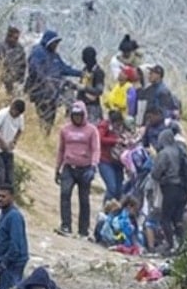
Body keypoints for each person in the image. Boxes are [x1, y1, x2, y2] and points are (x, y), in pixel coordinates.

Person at [55, 101, 100, 238]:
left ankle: (83, 229)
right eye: (74, 115)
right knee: (65, 193)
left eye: (79, 115)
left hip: (85, 167)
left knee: (84, 199)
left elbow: (95, 149)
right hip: (69, 166)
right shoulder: (65, 130)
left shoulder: (91, 130)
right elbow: (61, 149)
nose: (77, 118)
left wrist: (93, 166)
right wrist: (57, 168)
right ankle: (66, 225)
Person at [151, 128, 187, 249]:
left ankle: (170, 245)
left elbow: (155, 174)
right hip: (185, 190)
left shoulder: (165, 153)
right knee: (177, 219)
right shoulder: (183, 151)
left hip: (171, 189)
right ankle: (183, 245)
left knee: (165, 219)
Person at [25, 29, 81, 129]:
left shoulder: (55, 56)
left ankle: (46, 136)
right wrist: (46, 80)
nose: (56, 45)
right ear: (48, 41)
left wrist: (80, 73)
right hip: (41, 92)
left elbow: (64, 68)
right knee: (44, 117)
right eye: (55, 43)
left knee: (51, 118)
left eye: (57, 43)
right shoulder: (38, 52)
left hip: (53, 93)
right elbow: (35, 68)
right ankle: (43, 137)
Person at [0, 184, 28, 289]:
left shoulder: (14, 216)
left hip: (12, 264)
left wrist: (5, 262)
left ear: (11, 197)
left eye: (3, 196)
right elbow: (0, 235)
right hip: (3, 263)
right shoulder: (3, 215)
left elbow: (16, 243)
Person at [0, 99, 26, 192]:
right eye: (14, 111)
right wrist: (1, 141)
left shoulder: (20, 117)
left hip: (8, 150)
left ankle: (6, 204)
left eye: (17, 114)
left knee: (10, 180)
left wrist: (14, 141)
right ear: (12, 107)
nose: (15, 115)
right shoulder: (3, 114)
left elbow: (20, 129)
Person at [96, 109, 131, 201]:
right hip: (105, 160)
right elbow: (99, 138)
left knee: (118, 191)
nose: (118, 126)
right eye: (117, 124)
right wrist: (115, 141)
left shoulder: (123, 127)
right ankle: (105, 210)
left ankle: (113, 212)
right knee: (112, 187)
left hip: (118, 162)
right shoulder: (104, 126)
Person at [0, 26, 27, 95]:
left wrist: (20, 81)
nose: (16, 40)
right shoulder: (1, 47)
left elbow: (23, 65)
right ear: (9, 37)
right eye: (15, 38)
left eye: (17, 38)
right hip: (2, 82)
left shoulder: (19, 49)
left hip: (15, 82)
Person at [77, 47, 105, 123]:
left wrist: (85, 88)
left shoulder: (98, 72)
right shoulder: (85, 70)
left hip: (93, 107)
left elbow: (99, 91)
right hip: (82, 105)